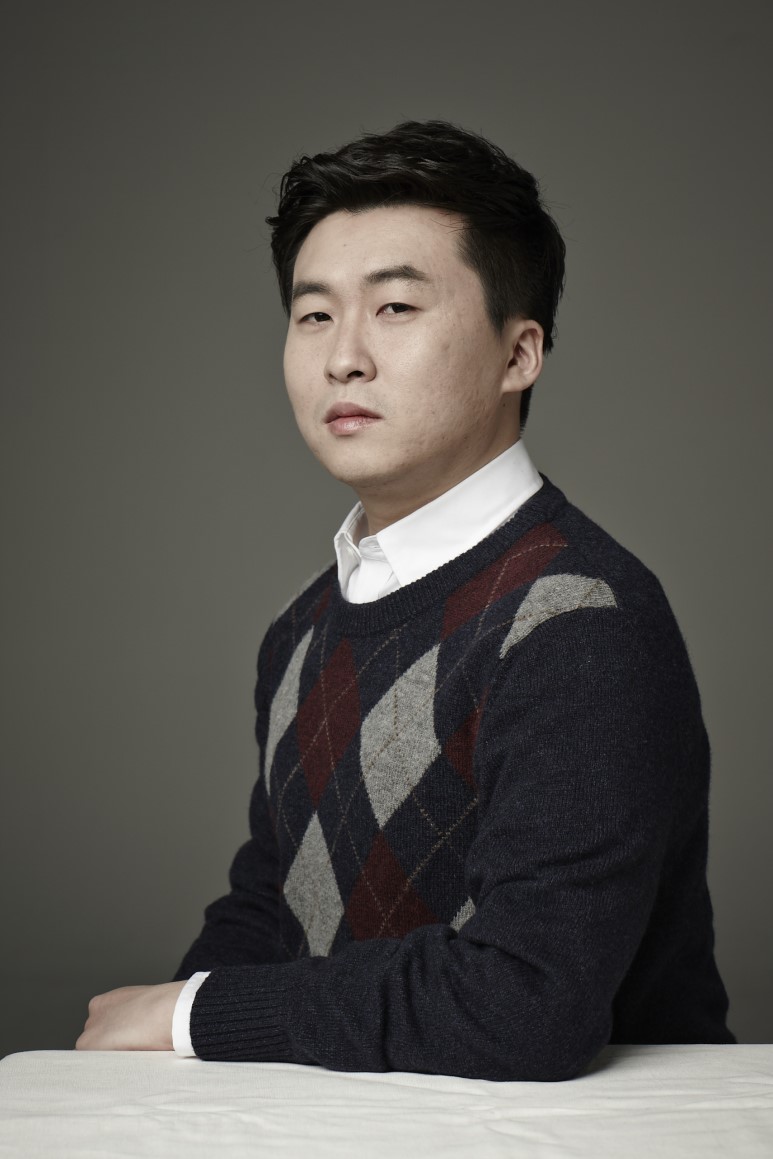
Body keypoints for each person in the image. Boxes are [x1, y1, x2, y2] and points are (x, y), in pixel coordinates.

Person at [76, 120, 734, 1079]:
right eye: (313, 315)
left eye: (394, 307)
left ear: (519, 353)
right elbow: (271, 905)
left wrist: (194, 1014)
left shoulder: (579, 620)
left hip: (584, 1135)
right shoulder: (302, 628)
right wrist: (151, 1046)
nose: (343, 356)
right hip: (363, 1122)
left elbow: (527, 1002)